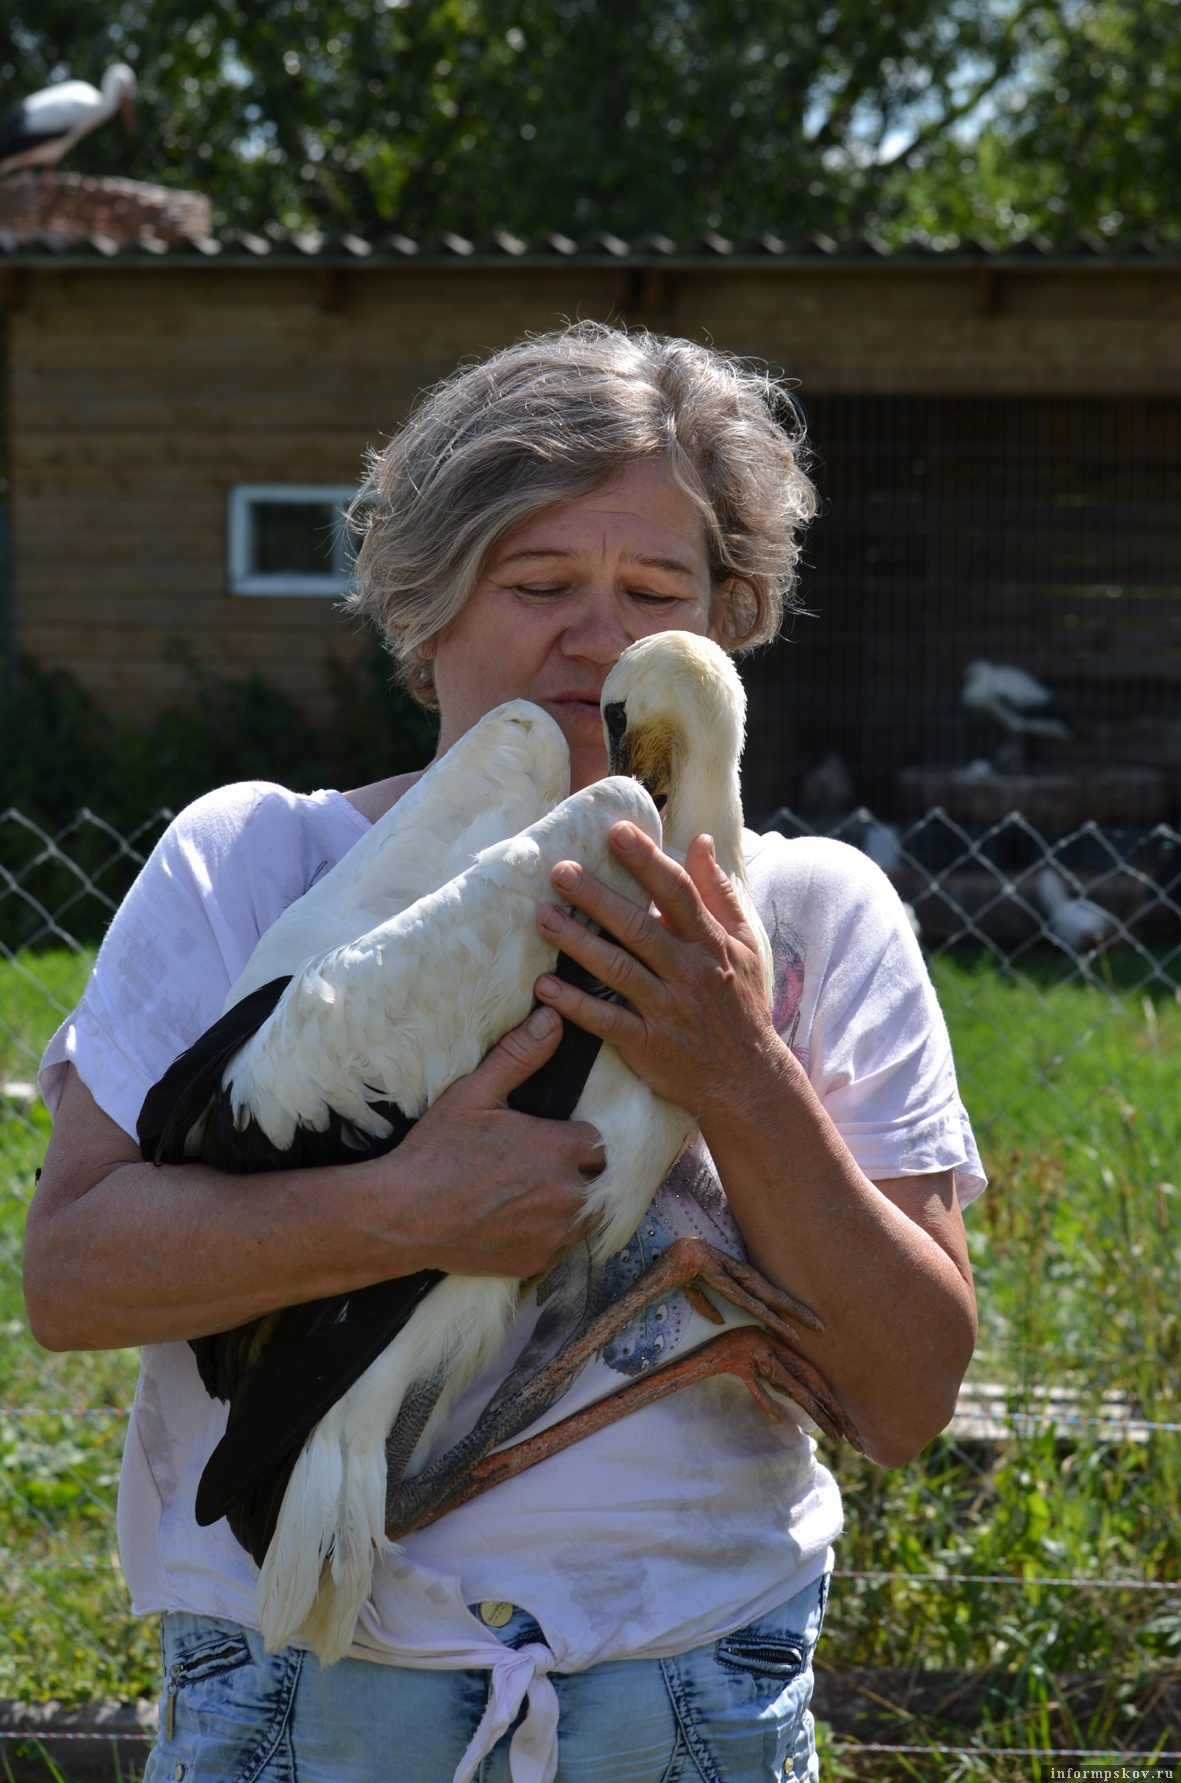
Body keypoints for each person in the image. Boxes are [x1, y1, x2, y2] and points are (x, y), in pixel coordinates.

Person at [24, 324, 982, 1783]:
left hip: (691, 1709)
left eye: (653, 590)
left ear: (726, 618)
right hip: (300, 1700)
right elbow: (76, 1280)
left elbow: (906, 1397)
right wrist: (412, 1208)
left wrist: (735, 1066)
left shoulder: (812, 913)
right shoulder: (254, 862)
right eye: (539, 585)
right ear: (427, 611)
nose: (597, 637)